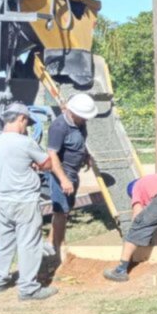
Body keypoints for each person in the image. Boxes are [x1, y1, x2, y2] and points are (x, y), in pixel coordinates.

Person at [0, 102, 57, 301]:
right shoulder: (24, 143)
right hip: (24, 200)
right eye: (26, 122)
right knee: (29, 243)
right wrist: (37, 164)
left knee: (4, 240)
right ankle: (28, 288)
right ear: (21, 118)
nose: (26, 127)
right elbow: (47, 164)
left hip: (3, 199)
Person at [46, 93, 97, 257]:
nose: (86, 120)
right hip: (61, 172)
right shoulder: (59, 127)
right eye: (83, 116)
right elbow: (52, 155)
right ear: (73, 112)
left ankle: (50, 242)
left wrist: (86, 155)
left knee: (65, 210)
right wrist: (63, 179)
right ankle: (61, 247)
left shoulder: (80, 123)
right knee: (61, 211)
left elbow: (81, 141)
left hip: (73, 172)